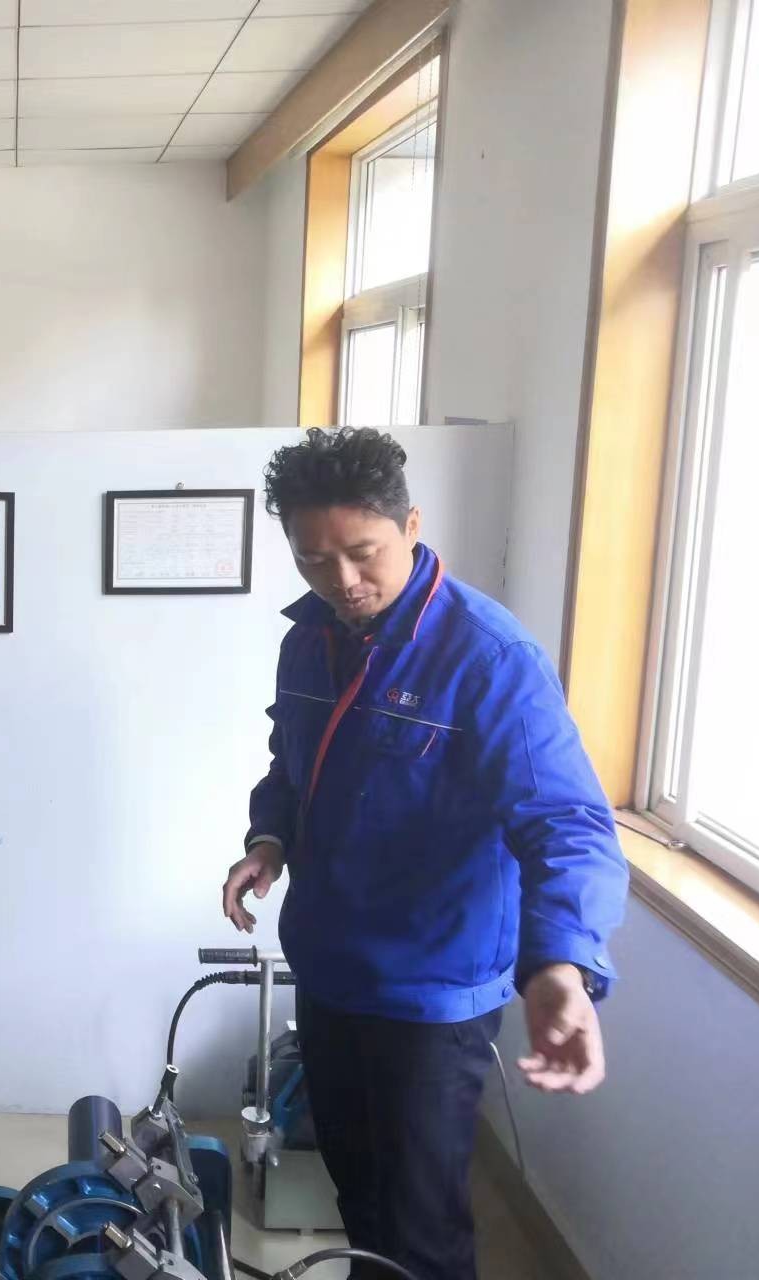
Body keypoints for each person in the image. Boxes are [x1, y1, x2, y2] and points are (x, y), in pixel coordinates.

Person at [221, 428, 629, 1280]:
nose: (342, 580)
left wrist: (561, 964)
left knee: (420, 1230)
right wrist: (270, 839)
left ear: (410, 524)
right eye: (313, 560)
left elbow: (567, 823)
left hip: (431, 994)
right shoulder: (309, 641)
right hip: (330, 970)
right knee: (359, 1198)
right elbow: (292, 765)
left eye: (362, 553)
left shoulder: (488, 657)